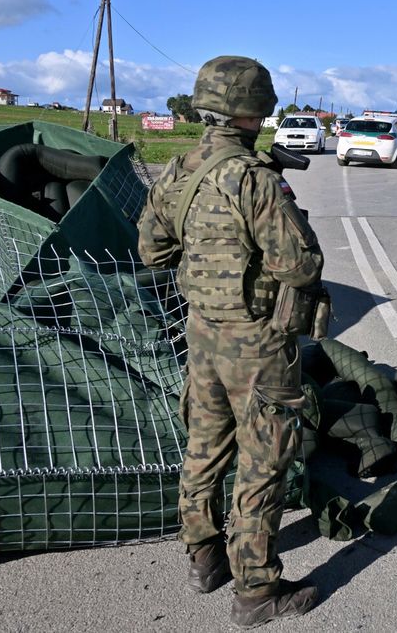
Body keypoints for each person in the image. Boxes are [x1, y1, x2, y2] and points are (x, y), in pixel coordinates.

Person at [137, 56, 323, 627]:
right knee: (263, 459)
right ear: (255, 109)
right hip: (258, 341)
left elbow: (152, 251)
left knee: (204, 445)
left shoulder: (178, 170)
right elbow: (298, 264)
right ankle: (257, 589)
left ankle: (203, 559)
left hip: (202, 332)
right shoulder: (255, 179)